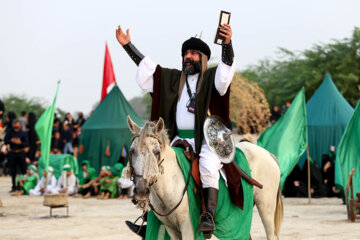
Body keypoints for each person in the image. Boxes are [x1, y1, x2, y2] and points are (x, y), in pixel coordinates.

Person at [116, 22, 235, 237]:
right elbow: (149, 70)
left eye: (193, 53)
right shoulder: (172, 79)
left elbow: (225, 76)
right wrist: (128, 46)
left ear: (204, 58)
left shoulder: (210, 78)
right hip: (179, 140)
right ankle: (149, 220)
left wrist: (227, 44)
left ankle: (207, 216)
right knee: (155, 168)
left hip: (207, 141)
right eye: (185, 53)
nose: (188, 57)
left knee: (207, 166)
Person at [4, 119, 29, 192]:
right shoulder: (9, 132)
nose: (16, 127)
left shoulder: (23, 133)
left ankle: (24, 186)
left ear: (20, 125)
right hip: (12, 152)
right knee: (13, 170)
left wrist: (20, 142)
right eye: (14, 126)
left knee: (23, 170)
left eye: (17, 126)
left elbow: (27, 143)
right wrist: (11, 140)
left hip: (21, 152)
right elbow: (5, 141)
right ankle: (13, 186)